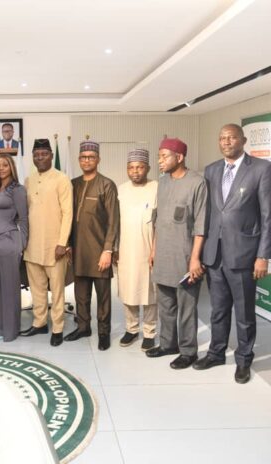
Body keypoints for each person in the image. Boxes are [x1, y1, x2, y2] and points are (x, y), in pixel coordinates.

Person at [194, 124, 271, 384]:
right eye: (222, 138)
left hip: (244, 254)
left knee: (243, 313)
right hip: (215, 254)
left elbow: (269, 216)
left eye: (231, 137)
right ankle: (217, 352)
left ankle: (244, 359)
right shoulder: (211, 170)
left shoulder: (262, 169)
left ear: (243, 140)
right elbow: (209, 212)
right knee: (218, 310)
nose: (226, 141)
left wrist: (263, 255)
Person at [147, 138, 207, 369]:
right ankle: (167, 343)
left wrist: (195, 259)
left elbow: (201, 225)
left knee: (186, 307)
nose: (160, 161)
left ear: (179, 157)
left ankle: (188, 351)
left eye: (164, 156)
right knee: (165, 305)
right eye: (159, 156)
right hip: (163, 254)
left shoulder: (197, 183)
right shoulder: (162, 182)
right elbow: (157, 219)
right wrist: (153, 249)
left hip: (184, 256)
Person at [65, 140, 119, 351]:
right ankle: (83, 327)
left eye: (91, 157)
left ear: (98, 159)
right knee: (81, 294)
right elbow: (67, 217)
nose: (86, 160)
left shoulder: (107, 184)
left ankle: (103, 333)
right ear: (79, 160)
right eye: (83, 157)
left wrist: (108, 250)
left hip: (99, 251)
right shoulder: (73, 184)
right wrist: (68, 244)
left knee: (103, 296)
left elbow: (114, 220)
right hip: (78, 250)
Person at [19, 139, 72, 347]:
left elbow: (68, 212)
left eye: (44, 154)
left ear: (51, 155)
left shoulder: (62, 179)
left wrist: (62, 242)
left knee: (57, 290)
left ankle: (57, 327)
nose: (40, 158)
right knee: (37, 288)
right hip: (32, 245)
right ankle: (39, 322)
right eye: (36, 154)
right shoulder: (28, 180)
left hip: (54, 246)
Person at [114, 148, 158, 351]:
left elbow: (160, 223)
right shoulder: (121, 190)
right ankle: (131, 329)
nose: (135, 171)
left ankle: (149, 332)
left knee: (149, 293)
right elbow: (115, 222)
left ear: (147, 168)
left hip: (148, 249)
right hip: (125, 249)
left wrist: (155, 249)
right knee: (128, 290)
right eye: (131, 168)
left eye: (140, 167)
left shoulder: (156, 187)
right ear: (126, 169)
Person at [0, 154, 28, 342]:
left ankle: (12, 331)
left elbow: (23, 219)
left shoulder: (17, 189)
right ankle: (1, 328)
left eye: (5, 165)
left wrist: (22, 244)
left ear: (11, 167)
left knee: (10, 286)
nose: (1, 169)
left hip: (8, 239)